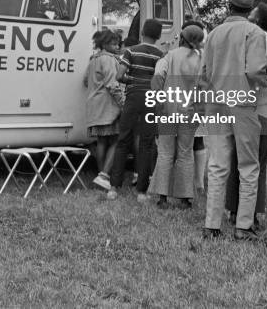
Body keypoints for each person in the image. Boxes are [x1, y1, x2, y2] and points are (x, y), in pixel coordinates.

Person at [200, 0, 267, 241]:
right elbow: (255, 71)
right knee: (249, 166)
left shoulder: (214, 34)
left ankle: (211, 225)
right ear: (251, 9)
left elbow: (203, 74)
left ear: (228, 6)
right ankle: (243, 226)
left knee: (217, 165)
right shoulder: (254, 32)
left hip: (216, 101)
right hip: (242, 101)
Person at [226, 2, 267, 230]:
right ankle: (253, 213)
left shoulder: (242, 41)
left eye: (252, 15)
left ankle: (233, 209)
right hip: (264, 108)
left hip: (238, 103)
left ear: (257, 21)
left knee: (237, 159)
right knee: (259, 163)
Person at [148, 23, 205, 209]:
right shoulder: (201, 60)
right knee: (186, 153)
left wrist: (159, 102)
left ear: (181, 38)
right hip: (191, 113)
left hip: (167, 110)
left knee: (165, 152)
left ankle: (162, 198)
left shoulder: (169, 57)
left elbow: (157, 79)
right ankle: (185, 198)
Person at [107, 19, 163, 201]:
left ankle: (114, 188)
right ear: (159, 36)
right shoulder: (161, 55)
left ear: (142, 33)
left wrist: (131, 82)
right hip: (151, 99)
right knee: (146, 144)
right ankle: (141, 191)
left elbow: (119, 75)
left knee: (123, 140)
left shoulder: (131, 51)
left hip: (132, 98)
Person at [83, 29, 125, 191]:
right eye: (113, 43)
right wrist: (123, 103)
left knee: (101, 141)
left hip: (94, 105)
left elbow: (86, 81)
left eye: (117, 43)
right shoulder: (108, 59)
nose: (116, 46)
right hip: (108, 106)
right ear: (104, 44)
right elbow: (113, 85)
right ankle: (104, 176)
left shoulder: (93, 59)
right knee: (116, 140)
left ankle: (101, 175)